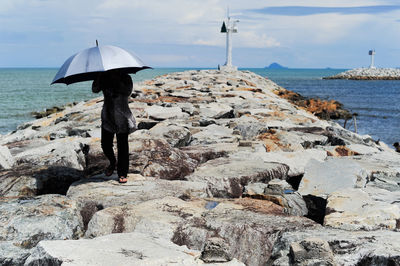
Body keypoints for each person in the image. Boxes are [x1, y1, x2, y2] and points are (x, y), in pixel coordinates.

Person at [92, 70, 136, 183]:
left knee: (123, 146)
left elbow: (127, 92)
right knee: (105, 144)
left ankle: (122, 173)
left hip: (122, 115)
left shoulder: (126, 77)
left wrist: (115, 80)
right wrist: (99, 77)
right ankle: (112, 162)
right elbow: (94, 90)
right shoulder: (103, 76)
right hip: (108, 115)